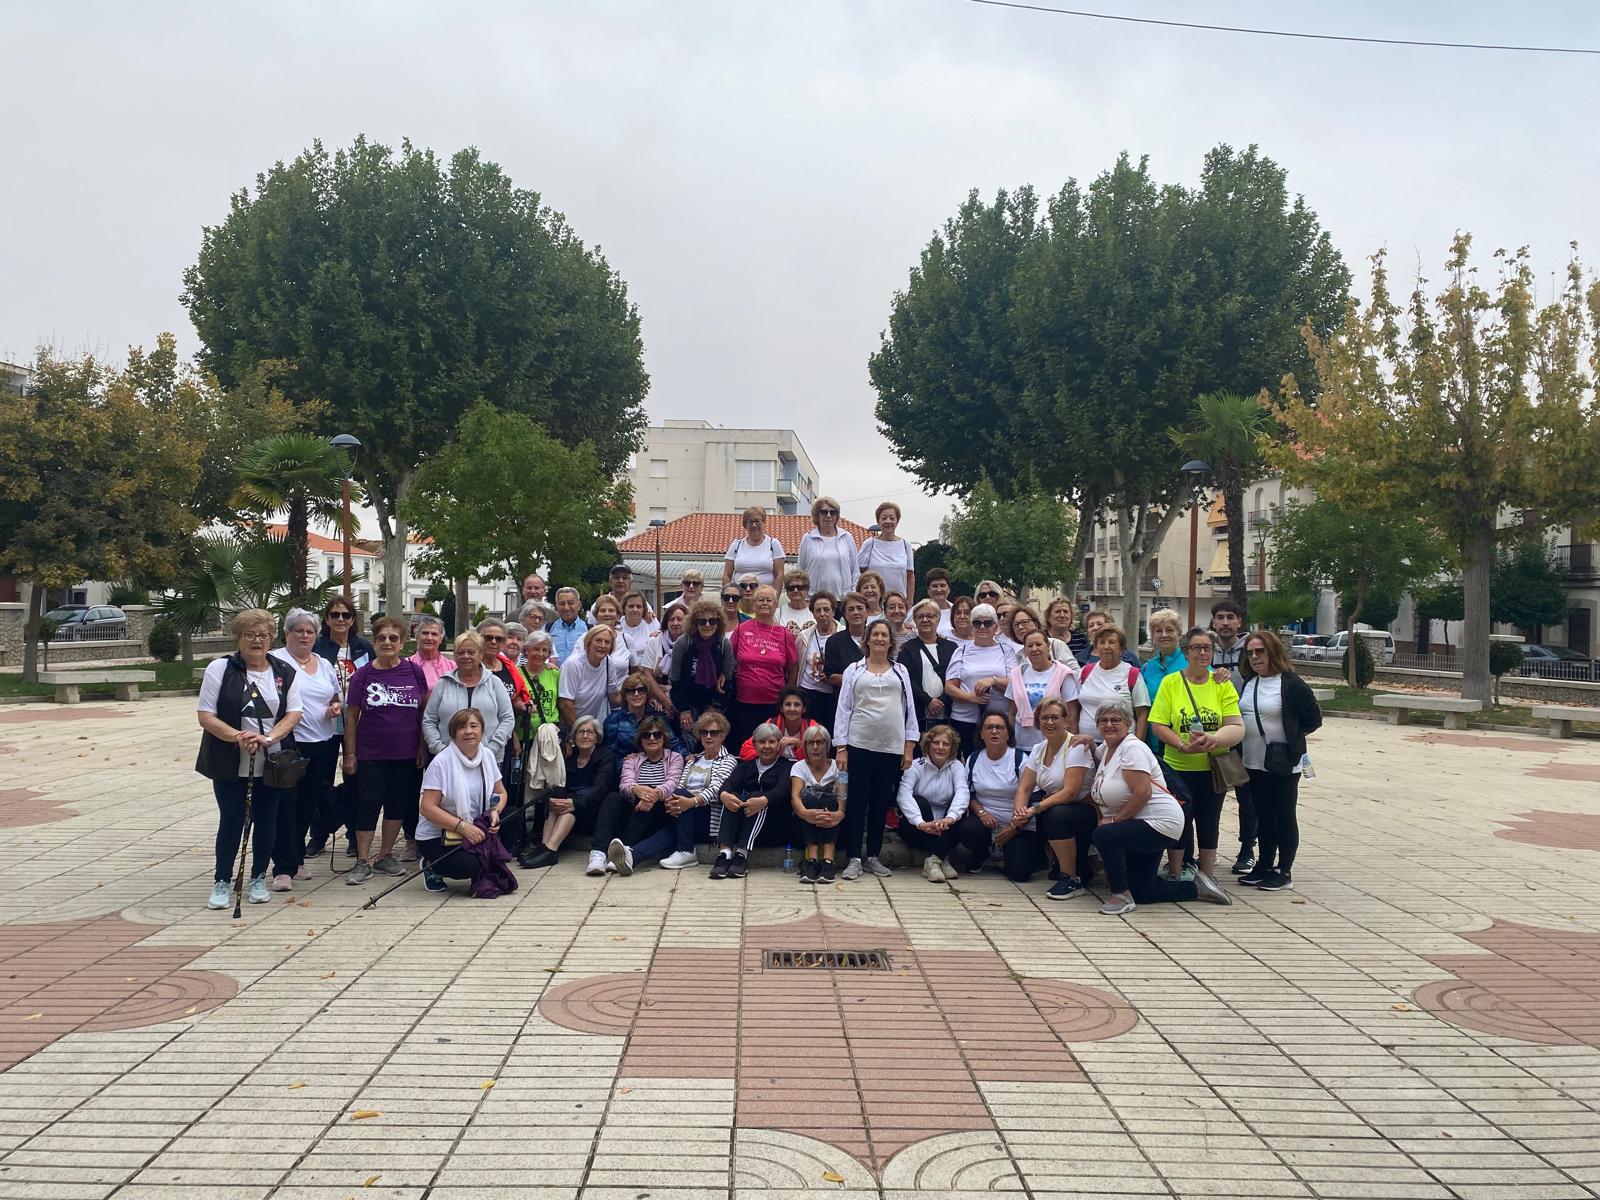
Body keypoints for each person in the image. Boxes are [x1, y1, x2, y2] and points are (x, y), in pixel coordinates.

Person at [196, 609, 304, 909]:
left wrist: (268, 737)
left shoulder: (284, 671)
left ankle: (258, 877)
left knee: (267, 821)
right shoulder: (220, 669)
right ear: (238, 638)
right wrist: (237, 736)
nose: (257, 641)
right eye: (250, 635)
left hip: (272, 762)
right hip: (230, 761)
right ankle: (222, 880)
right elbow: (206, 715)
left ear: (272, 638)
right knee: (231, 820)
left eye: (263, 635)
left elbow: (293, 713)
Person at [1091, 696, 1231, 915]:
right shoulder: (1105, 750)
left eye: (1116, 720)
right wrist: (1086, 741)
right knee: (1143, 891)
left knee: (1104, 834)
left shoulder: (1132, 749)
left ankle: (1120, 895)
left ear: (1128, 723)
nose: (1109, 724)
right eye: (1103, 720)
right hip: (1139, 822)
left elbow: (1142, 792)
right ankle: (1197, 887)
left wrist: (1114, 820)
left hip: (1159, 822)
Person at [1148, 626, 1244, 884]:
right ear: (1186, 652)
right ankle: (1176, 871)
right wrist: (1181, 745)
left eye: (1207, 648)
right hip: (1178, 767)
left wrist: (1215, 739)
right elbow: (1158, 724)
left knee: (1209, 820)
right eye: (1196, 648)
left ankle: (1207, 875)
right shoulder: (1171, 682)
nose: (1202, 653)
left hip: (1213, 768)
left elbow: (1236, 726)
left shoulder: (1221, 684)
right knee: (1179, 819)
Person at [342, 615, 427, 885]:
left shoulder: (414, 671)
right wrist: (350, 754)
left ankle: (385, 855)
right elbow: (351, 717)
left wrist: (422, 746)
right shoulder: (363, 675)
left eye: (393, 638)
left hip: (405, 753)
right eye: (381, 638)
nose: (387, 642)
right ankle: (362, 860)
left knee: (396, 804)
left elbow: (424, 712)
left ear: (402, 643)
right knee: (368, 803)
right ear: (374, 642)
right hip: (371, 753)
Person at [1236, 630, 1322, 892]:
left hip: (1283, 762)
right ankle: (1264, 865)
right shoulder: (1250, 682)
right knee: (1263, 815)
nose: (1255, 657)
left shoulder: (1291, 683)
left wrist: (1290, 736)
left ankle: (1284, 871)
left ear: (1273, 652)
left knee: (1283, 815)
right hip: (1253, 761)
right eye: (1250, 653)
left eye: (1260, 651)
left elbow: (1313, 719)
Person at [834, 618, 919, 881]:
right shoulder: (854, 670)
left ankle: (873, 855)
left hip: (891, 746)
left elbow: (909, 708)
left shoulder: (901, 671)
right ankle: (854, 858)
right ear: (867, 639)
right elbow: (844, 708)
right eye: (876, 634)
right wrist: (841, 747)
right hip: (859, 743)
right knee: (857, 801)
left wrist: (909, 746)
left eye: (885, 635)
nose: (880, 639)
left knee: (881, 802)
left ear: (891, 641)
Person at [267, 608, 342, 892]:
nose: (304, 635)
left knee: (308, 805)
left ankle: (297, 857)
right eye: (298, 630)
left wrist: (334, 707)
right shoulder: (275, 660)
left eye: (310, 631)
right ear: (287, 633)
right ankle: (282, 868)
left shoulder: (323, 663)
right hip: (288, 744)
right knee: (286, 805)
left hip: (322, 742)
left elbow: (334, 697)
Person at [605, 713, 734, 875]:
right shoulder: (693, 760)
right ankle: (631, 857)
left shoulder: (728, 760)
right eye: (704, 732)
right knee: (670, 827)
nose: (708, 736)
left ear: (723, 735)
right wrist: (674, 801)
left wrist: (691, 802)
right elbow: (679, 785)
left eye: (713, 733)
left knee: (678, 799)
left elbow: (717, 789)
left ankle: (686, 849)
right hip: (684, 813)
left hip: (707, 818)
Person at [415, 708, 514, 897]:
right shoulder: (441, 762)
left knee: (512, 816)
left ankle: (485, 868)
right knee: (468, 865)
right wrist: (462, 827)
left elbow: (500, 792)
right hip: (441, 835)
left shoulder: (487, 756)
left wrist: (495, 811)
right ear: (453, 733)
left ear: (482, 731)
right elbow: (427, 808)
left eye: (474, 726)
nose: (468, 731)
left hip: (477, 827)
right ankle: (431, 865)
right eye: (462, 727)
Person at [1008, 697, 1099, 899]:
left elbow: (1070, 792)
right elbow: (1024, 787)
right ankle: (1075, 866)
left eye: (1055, 717)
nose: (1049, 722)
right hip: (1061, 808)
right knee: (1049, 809)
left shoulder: (1076, 746)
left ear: (1066, 720)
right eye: (1044, 718)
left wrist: (1034, 808)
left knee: (1054, 812)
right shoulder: (1039, 748)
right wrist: (1019, 811)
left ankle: (1071, 879)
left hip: (1088, 809)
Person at [305, 596, 371, 859]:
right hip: (325, 723)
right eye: (334, 615)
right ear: (327, 619)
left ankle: (354, 834)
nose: (340, 620)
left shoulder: (363, 647)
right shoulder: (318, 647)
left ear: (353, 619)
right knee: (320, 780)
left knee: (356, 780)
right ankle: (319, 834)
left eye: (345, 615)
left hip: (359, 723)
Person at [588, 717, 685, 875]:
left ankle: (624, 852)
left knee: (648, 794)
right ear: (640, 739)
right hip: (633, 811)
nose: (652, 738)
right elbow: (625, 785)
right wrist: (636, 789)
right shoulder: (632, 759)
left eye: (657, 734)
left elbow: (672, 783)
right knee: (613, 797)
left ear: (664, 737)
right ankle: (598, 854)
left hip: (659, 813)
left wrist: (653, 794)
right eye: (646, 735)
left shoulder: (675, 758)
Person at [525, 715, 614, 869]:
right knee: (557, 796)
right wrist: (565, 802)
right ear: (574, 736)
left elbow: (600, 788)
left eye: (589, 732)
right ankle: (544, 847)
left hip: (592, 810)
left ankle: (550, 849)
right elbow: (561, 785)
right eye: (580, 732)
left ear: (597, 737)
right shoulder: (569, 756)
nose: (584, 736)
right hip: (568, 810)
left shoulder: (606, 755)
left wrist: (575, 803)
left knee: (568, 807)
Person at [422, 630, 516, 776]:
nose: (465, 656)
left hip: (488, 760)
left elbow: (507, 718)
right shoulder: (443, 684)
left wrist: (492, 748)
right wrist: (440, 749)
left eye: (471, 652)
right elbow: (429, 720)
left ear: (481, 654)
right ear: (455, 655)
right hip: (448, 761)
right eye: (460, 653)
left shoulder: (494, 683)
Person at [1209, 598, 1257, 874]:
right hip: (1211, 732)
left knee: (1246, 796)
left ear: (1240, 621)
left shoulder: (1250, 651)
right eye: (1220, 618)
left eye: (1230, 617)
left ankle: (1247, 849)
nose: (1225, 623)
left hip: (1242, 734)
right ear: (1213, 622)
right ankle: (1207, 850)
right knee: (1210, 796)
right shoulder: (1206, 649)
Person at [895, 725, 976, 883]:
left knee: (958, 808)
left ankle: (934, 860)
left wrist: (950, 818)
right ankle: (942, 857)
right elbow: (903, 794)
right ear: (928, 744)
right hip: (917, 827)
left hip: (946, 827)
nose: (940, 747)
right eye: (936, 742)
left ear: (952, 748)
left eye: (946, 744)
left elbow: (962, 792)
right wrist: (920, 822)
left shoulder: (956, 766)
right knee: (919, 801)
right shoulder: (916, 765)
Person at [711, 723, 793, 876]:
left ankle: (741, 855)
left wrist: (764, 800)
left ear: (779, 745)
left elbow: (783, 790)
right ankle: (724, 854)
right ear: (754, 745)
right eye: (762, 742)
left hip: (772, 829)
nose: (766, 746)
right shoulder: (746, 766)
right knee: (732, 796)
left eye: (771, 742)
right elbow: (728, 784)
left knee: (757, 796)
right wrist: (724, 795)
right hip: (744, 825)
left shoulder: (786, 766)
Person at [729, 584, 800, 744]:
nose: (765, 603)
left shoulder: (785, 634)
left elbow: (793, 667)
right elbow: (728, 658)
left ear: (776, 605)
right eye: (761, 600)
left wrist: (788, 694)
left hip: (774, 701)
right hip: (744, 700)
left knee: (771, 742)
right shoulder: (741, 630)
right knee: (748, 743)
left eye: (769, 600)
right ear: (753, 604)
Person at [963, 710, 1026, 876]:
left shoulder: (1020, 759)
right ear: (981, 734)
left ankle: (1007, 852)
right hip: (985, 821)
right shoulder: (973, 758)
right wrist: (981, 813)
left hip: (1017, 824)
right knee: (968, 829)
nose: (994, 731)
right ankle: (982, 853)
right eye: (989, 727)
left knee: (1019, 873)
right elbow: (968, 794)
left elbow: (1032, 796)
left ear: (1008, 734)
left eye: (1000, 727)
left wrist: (1014, 827)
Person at [943, 603, 1011, 755]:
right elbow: (949, 686)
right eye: (977, 623)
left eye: (987, 623)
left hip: (998, 721)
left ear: (995, 626)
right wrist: (970, 698)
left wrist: (993, 681)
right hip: (965, 720)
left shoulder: (1006, 650)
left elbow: (1015, 684)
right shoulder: (961, 651)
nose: (982, 627)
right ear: (971, 626)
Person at [669, 600, 736, 736]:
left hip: (713, 701)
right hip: (688, 702)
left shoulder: (724, 644)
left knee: (711, 737)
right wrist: (683, 709)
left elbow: (728, 681)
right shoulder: (683, 643)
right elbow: (675, 680)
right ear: (695, 623)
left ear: (718, 623)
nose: (707, 625)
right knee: (690, 739)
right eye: (702, 621)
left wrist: (715, 707)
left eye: (712, 621)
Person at [1008, 630, 1081, 751]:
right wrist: (1010, 742)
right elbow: (1012, 712)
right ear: (1025, 650)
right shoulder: (1017, 674)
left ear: (1048, 647)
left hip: (1054, 744)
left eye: (1038, 644)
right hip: (1021, 743)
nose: (1034, 649)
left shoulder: (1063, 673)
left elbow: (1072, 715)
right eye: (1030, 646)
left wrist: (1069, 747)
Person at [1077, 625, 1151, 743]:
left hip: (1121, 745)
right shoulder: (1085, 671)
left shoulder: (1132, 674)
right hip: (1086, 744)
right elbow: (1075, 708)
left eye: (1112, 642)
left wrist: (1137, 744)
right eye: (1102, 642)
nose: (1106, 646)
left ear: (1121, 648)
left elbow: (1142, 714)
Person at [790, 725, 844, 884]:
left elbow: (843, 794)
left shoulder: (838, 766)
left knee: (829, 800)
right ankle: (811, 860)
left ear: (827, 745)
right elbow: (795, 795)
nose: (815, 747)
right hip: (804, 824)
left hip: (835, 824)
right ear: (805, 746)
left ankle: (828, 860)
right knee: (810, 800)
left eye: (820, 742)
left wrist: (840, 812)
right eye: (810, 743)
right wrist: (805, 813)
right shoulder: (799, 767)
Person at [899, 599, 956, 733]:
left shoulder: (952, 647)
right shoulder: (906, 649)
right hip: (919, 713)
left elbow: (956, 677)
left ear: (938, 619)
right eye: (920, 617)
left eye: (930, 616)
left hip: (948, 712)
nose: (925, 620)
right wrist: (927, 700)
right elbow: (906, 679)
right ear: (915, 620)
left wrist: (942, 701)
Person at [605, 670, 683, 756]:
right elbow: (609, 754)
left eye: (641, 690)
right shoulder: (614, 720)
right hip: (624, 762)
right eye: (631, 691)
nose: (636, 694)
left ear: (647, 694)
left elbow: (673, 743)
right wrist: (628, 762)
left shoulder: (658, 718)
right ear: (625, 695)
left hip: (655, 762)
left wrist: (687, 756)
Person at [1140, 608, 1186, 753]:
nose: (1164, 635)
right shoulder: (1147, 668)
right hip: (1152, 743)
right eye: (1158, 631)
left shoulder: (1192, 662)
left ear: (1179, 633)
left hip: (1184, 742)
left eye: (1170, 630)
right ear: (1153, 635)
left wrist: (1222, 673)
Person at [558, 624, 625, 725]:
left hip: (590, 725)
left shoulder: (608, 662)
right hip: (569, 725)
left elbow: (614, 698)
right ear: (588, 643)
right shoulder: (573, 664)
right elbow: (565, 704)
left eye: (607, 642)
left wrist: (637, 695)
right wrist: (579, 730)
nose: (602, 645)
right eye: (598, 640)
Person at [796, 495, 858, 599]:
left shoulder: (847, 537)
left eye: (833, 512)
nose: (828, 515)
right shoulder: (808, 538)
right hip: (815, 599)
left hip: (843, 599)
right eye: (824, 512)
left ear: (837, 515)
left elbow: (855, 570)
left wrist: (852, 594)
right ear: (817, 515)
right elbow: (800, 570)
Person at [798, 591, 840, 734]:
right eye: (818, 610)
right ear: (813, 613)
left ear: (833, 611)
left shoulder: (843, 635)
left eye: (826, 610)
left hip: (832, 694)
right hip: (808, 692)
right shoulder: (804, 636)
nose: (822, 614)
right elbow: (798, 664)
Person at [737, 687, 819, 760]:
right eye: (788, 704)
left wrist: (798, 744)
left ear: (804, 709)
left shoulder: (812, 726)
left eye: (797, 705)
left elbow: (818, 757)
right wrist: (770, 753)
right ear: (781, 708)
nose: (792, 709)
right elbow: (745, 751)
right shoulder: (772, 723)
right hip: (775, 769)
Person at [857, 501, 915, 598]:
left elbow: (910, 576)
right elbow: (859, 573)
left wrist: (909, 601)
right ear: (878, 521)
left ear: (897, 521)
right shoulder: (869, 544)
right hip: (873, 601)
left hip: (898, 602)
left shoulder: (906, 545)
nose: (888, 521)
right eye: (884, 518)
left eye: (892, 518)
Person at [723, 505, 786, 589]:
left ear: (764, 522)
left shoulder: (773, 544)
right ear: (745, 525)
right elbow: (727, 575)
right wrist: (727, 593)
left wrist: (775, 596)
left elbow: (779, 575)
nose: (754, 525)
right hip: (740, 595)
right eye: (750, 522)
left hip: (765, 595)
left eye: (757, 521)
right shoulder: (736, 545)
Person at [823, 592, 869, 701]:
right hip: (845, 700)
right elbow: (830, 677)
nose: (856, 612)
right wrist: (863, 679)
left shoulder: (877, 638)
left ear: (867, 611)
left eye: (859, 608)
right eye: (851, 609)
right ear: (844, 614)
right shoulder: (834, 641)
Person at [1007, 606, 1076, 668]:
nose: (1020, 627)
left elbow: (1075, 672)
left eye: (1025, 622)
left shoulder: (1056, 645)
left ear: (1036, 624)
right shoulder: (1019, 656)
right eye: (1016, 624)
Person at [406, 614, 456, 693]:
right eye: (425, 633)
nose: (429, 638)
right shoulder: (405, 666)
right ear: (416, 636)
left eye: (434, 634)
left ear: (441, 639)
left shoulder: (452, 667)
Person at [638, 604, 685, 682]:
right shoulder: (654, 642)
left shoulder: (691, 642)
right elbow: (648, 674)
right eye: (671, 619)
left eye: (679, 619)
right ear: (666, 622)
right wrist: (660, 690)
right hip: (659, 687)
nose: (675, 623)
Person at [616, 590, 661, 666]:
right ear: (624, 608)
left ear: (644, 609)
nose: (635, 609)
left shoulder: (652, 622)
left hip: (648, 668)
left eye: (639, 606)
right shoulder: (617, 626)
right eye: (631, 606)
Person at [548, 587, 589, 667]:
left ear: (579, 605)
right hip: (555, 674)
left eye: (570, 603)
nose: (566, 607)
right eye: (562, 604)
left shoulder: (589, 629)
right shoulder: (548, 629)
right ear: (556, 607)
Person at [1045, 598, 1088, 663]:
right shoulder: (1042, 638)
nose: (1062, 615)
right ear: (1048, 617)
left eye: (1065, 611)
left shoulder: (1080, 639)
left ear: (1071, 616)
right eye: (1057, 611)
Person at [777, 570, 813, 641]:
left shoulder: (816, 610)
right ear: (786, 591)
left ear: (807, 589)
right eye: (791, 588)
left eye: (800, 587)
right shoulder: (777, 613)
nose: (795, 590)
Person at [925, 568, 955, 635]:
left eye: (942, 585)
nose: (939, 589)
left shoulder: (956, 612)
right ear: (928, 590)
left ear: (949, 589)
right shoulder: (916, 611)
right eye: (935, 586)